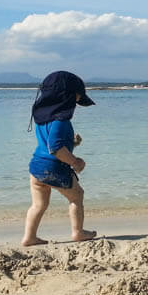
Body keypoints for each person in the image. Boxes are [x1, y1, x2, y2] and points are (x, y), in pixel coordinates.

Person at [22, 71, 97, 246]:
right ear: (68, 98)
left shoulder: (42, 118)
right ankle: (78, 232)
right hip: (54, 167)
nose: (76, 105)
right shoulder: (61, 120)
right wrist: (75, 161)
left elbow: (48, 144)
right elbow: (55, 148)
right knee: (77, 196)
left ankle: (29, 236)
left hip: (36, 166)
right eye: (76, 99)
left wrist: (72, 144)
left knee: (38, 205)